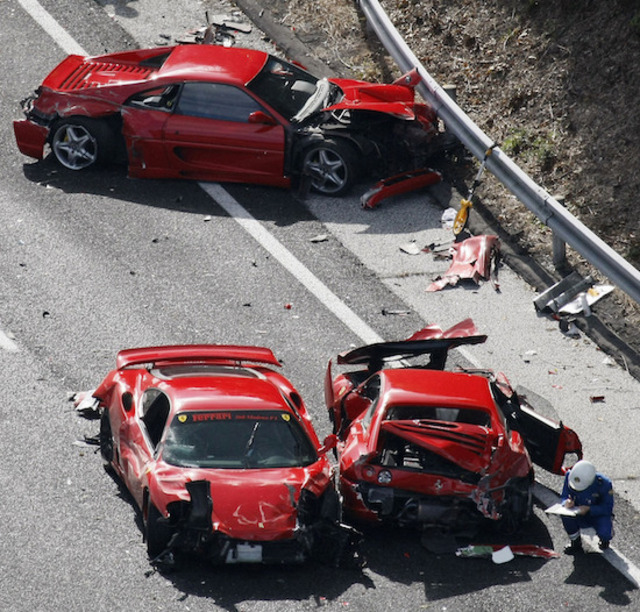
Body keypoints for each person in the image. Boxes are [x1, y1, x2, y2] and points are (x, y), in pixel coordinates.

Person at [561, 459, 614, 554]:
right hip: (577, 511)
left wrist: (590, 509)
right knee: (565, 515)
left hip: (596, 514)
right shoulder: (570, 476)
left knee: (605, 532)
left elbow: (607, 507)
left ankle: (605, 539)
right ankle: (575, 542)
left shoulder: (604, 484)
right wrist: (566, 502)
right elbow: (564, 495)